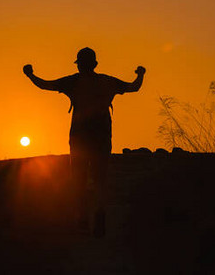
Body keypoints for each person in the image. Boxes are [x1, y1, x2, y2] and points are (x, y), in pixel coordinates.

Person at [23, 47, 145, 237]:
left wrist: (30, 75)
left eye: (80, 63)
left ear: (80, 65)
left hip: (80, 138)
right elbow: (134, 87)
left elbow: (45, 85)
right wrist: (140, 74)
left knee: (79, 179)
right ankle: (99, 219)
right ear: (95, 64)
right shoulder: (107, 82)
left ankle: (83, 219)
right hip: (102, 137)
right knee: (99, 181)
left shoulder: (73, 82)